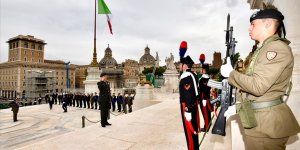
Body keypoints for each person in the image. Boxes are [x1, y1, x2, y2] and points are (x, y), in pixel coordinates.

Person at [221, 6, 300, 149]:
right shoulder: (262, 49)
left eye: (253, 24)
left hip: (266, 125)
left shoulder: (275, 49)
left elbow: (258, 86)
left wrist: (231, 74)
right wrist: (238, 107)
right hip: (259, 120)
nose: (249, 28)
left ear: (268, 24)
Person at [179, 55, 200, 150]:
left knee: (189, 132)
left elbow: (188, 94)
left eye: (181, 64)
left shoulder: (185, 77)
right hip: (194, 105)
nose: (179, 66)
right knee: (194, 130)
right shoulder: (193, 75)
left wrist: (187, 109)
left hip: (188, 107)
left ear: (185, 66)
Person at [198, 64, 212, 132]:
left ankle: (206, 127)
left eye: (202, 69)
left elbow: (202, 90)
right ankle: (208, 124)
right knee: (208, 112)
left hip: (203, 98)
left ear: (203, 70)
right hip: (207, 98)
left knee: (205, 113)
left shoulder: (202, 79)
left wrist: (203, 99)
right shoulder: (209, 79)